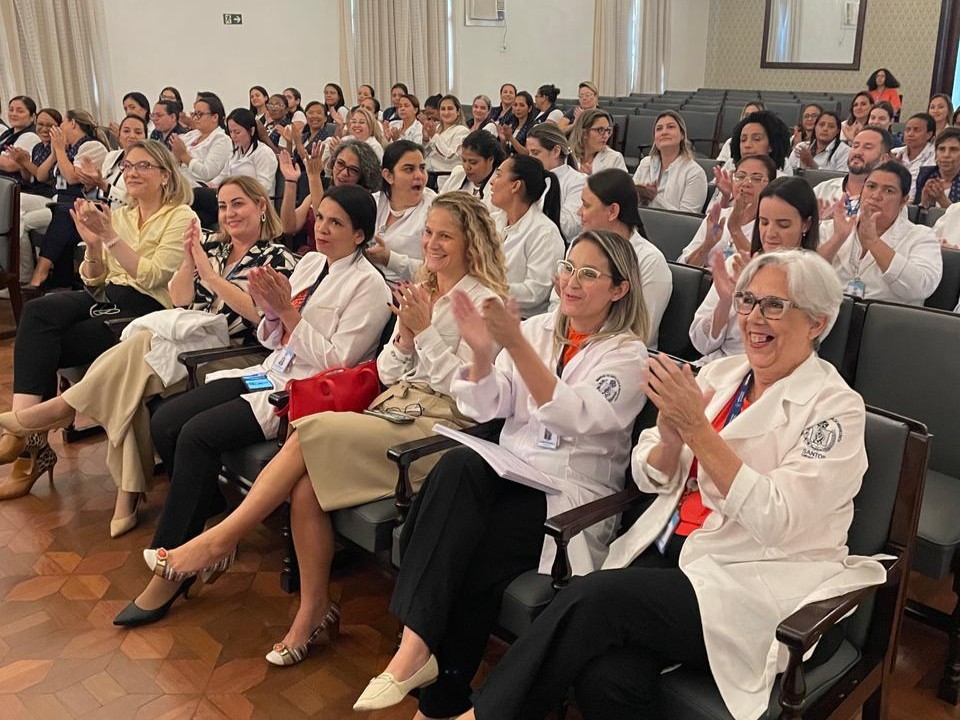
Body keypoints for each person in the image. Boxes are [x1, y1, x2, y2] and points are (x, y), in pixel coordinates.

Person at [458, 249, 886, 720]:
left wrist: (697, 431)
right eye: (747, 301)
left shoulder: (835, 409)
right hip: (672, 552)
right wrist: (668, 441)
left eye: (774, 305)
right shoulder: (721, 374)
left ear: (817, 323)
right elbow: (649, 474)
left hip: (751, 575)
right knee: (607, 678)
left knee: (593, 598)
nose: (753, 318)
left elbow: (777, 518)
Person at [117, 192, 505, 648]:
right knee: (299, 486)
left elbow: (470, 396)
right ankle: (313, 610)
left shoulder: (485, 304)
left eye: (445, 236)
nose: (431, 244)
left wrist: (425, 334)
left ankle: (217, 542)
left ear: (471, 242)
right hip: (383, 401)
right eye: (428, 232)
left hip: (436, 425)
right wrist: (401, 339)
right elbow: (387, 371)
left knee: (299, 431)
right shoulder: (422, 287)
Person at [354, 230, 650, 716]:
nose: (571, 281)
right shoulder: (538, 329)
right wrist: (480, 354)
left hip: (567, 500)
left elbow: (574, 416)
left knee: (471, 551)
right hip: (512, 476)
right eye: (568, 268)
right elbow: (487, 405)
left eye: (588, 274)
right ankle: (418, 655)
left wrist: (514, 344)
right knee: (458, 466)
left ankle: (429, 684)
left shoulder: (627, 355)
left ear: (620, 289)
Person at [0, 177, 295, 533]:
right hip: (187, 341)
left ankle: (72, 415)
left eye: (238, 204)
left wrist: (212, 278)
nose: (229, 213)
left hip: (235, 353)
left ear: (261, 206)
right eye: (222, 206)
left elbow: (265, 319)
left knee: (137, 357)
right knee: (134, 372)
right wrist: (189, 262)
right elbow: (181, 300)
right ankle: (122, 484)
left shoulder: (278, 258)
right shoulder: (213, 247)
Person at [0, 140, 195, 500]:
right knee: (40, 311)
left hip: (147, 311)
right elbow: (95, 280)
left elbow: (154, 276)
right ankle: (24, 436)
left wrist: (108, 236)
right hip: (107, 299)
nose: (132, 172)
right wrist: (93, 244)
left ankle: (29, 447)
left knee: (47, 343)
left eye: (143, 166)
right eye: (128, 166)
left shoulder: (181, 217)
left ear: (165, 175)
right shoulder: (121, 216)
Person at [690, 176, 820, 364]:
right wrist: (725, 302)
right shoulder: (736, 264)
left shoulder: (815, 279)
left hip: (772, 374)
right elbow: (701, 344)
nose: (770, 233)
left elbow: (796, 349)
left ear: (806, 224)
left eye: (783, 225)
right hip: (716, 367)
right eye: (764, 222)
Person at [819, 160, 942, 305]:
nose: (876, 196)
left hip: (889, 318)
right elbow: (806, 277)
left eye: (888, 190)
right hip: (832, 313)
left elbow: (920, 288)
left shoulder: (921, 237)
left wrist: (873, 242)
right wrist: (838, 238)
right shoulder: (834, 227)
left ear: (903, 201)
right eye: (871, 186)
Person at [577, 169, 672, 349]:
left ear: (612, 211)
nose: (579, 212)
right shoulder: (580, 246)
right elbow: (556, 307)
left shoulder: (650, 262)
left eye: (586, 205)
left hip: (620, 354)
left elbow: (640, 332)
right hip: (572, 343)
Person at [23, 109, 110, 289]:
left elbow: (71, 178)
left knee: (63, 213)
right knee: (38, 209)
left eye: (62, 122)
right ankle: (58, 279)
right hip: (59, 200)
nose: (59, 127)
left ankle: (40, 272)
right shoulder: (66, 147)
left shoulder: (91, 146)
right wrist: (56, 152)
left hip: (82, 203)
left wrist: (60, 150)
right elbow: (41, 176)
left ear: (72, 123)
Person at [489, 155, 565, 317]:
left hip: (523, 321)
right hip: (488, 309)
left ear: (516, 185)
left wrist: (488, 287)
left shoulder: (544, 232)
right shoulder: (493, 221)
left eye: (499, 175)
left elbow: (535, 292)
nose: (492, 181)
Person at [278, 139, 382, 252]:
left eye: (353, 170)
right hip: (311, 258)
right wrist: (290, 181)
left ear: (364, 175)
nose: (344, 173)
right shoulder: (318, 192)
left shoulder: (366, 204)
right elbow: (288, 227)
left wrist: (314, 176)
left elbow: (327, 217)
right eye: (340, 164)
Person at [680, 155, 776, 268]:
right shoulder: (718, 217)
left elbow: (763, 270)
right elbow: (684, 266)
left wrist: (735, 230)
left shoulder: (770, 226)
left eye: (756, 179)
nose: (746, 183)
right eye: (740, 176)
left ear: (771, 185)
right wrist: (707, 245)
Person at [366, 140, 436, 283]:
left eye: (422, 168)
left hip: (409, 291)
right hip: (366, 283)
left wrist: (389, 259)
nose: (419, 176)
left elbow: (435, 271)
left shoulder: (435, 210)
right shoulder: (372, 202)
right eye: (409, 169)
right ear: (388, 176)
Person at [169, 94, 232, 228]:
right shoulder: (191, 135)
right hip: (180, 185)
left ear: (215, 117)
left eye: (200, 114)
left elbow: (208, 172)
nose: (195, 118)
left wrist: (184, 155)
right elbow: (174, 163)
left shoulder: (221, 140)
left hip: (204, 191)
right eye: (194, 114)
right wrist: (176, 157)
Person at [710, 110, 792, 210]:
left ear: (771, 145)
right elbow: (710, 217)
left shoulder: (783, 183)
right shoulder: (728, 177)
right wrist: (726, 197)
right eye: (743, 140)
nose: (747, 145)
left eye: (756, 139)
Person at [632, 110, 708, 213]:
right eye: (659, 129)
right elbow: (629, 202)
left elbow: (687, 218)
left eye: (670, 127)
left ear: (682, 135)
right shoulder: (645, 163)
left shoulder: (694, 173)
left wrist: (654, 198)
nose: (664, 132)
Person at [526, 123, 587, 241]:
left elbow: (568, 227)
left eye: (535, 153)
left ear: (556, 151)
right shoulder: (529, 178)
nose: (530, 158)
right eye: (529, 153)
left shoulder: (578, 181)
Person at [812, 126, 892, 207]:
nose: (858, 152)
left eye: (867, 148)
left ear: (884, 159)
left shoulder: (890, 200)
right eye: (855, 146)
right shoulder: (823, 189)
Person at [208, 108, 278, 193]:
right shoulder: (234, 151)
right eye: (230, 132)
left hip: (253, 197)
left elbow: (264, 187)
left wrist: (235, 190)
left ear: (252, 131)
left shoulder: (264, 152)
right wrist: (210, 184)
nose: (233, 136)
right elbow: (224, 175)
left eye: (237, 132)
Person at [439, 128, 504, 216]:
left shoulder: (501, 186)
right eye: (464, 160)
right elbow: (439, 204)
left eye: (473, 162)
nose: (467, 167)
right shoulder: (457, 174)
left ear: (490, 160)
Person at [892, 112, 936, 201]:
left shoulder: (935, 156)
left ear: (929, 134)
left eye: (916, 130)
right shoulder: (894, 153)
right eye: (908, 130)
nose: (910, 134)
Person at [423, 94, 470, 176]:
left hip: (446, 176)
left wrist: (434, 137)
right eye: (443, 109)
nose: (446, 112)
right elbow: (426, 155)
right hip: (428, 173)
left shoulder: (462, 131)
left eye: (450, 108)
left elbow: (451, 157)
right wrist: (426, 140)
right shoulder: (436, 128)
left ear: (458, 111)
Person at [570, 109, 626, 175]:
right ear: (584, 133)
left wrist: (590, 178)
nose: (606, 136)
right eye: (600, 130)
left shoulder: (615, 158)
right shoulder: (567, 156)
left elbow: (622, 182)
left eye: (608, 130)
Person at [916, 127, 960, 209]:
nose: (946, 155)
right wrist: (924, 203)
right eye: (941, 149)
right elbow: (917, 212)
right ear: (936, 154)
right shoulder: (925, 175)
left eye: (953, 149)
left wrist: (944, 202)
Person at [0, 95, 40, 180]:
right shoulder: (7, 134)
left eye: (20, 111)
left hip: (13, 184)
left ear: (33, 117)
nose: (14, 114)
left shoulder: (31, 136)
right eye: (11, 110)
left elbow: (11, 165)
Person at [498, 91, 537, 157]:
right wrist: (503, 140)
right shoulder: (512, 126)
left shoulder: (534, 127)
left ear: (529, 108)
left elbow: (528, 153)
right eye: (515, 105)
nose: (517, 108)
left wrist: (511, 138)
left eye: (521, 105)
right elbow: (505, 153)